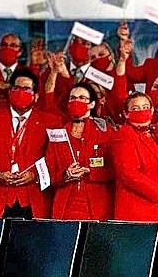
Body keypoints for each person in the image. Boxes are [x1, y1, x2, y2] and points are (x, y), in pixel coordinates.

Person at [0, 67, 61, 218]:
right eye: (16, 88)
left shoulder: (51, 122)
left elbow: (56, 160)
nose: (20, 92)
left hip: (33, 200)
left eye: (26, 89)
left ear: (36, 96)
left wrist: (35, 175)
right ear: (9, 91)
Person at [45, 83, 115, 221]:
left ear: (92, 104)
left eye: (82, 98)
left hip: (97, 208)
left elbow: (115, 170)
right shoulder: (58, 133)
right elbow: (48, 173)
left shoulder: (105, 132)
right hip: (65, 208)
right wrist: (65, 175)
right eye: (72, 98)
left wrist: (90, 172)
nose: (76, 101)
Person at [112, 91, 158, 222]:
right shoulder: (124, 135)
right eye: (135, 108)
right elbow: (128, 173)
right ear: (126, 113)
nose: (141, 111)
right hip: (137, 209)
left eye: (145, 107)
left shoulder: (156, 133)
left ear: (152, 110)